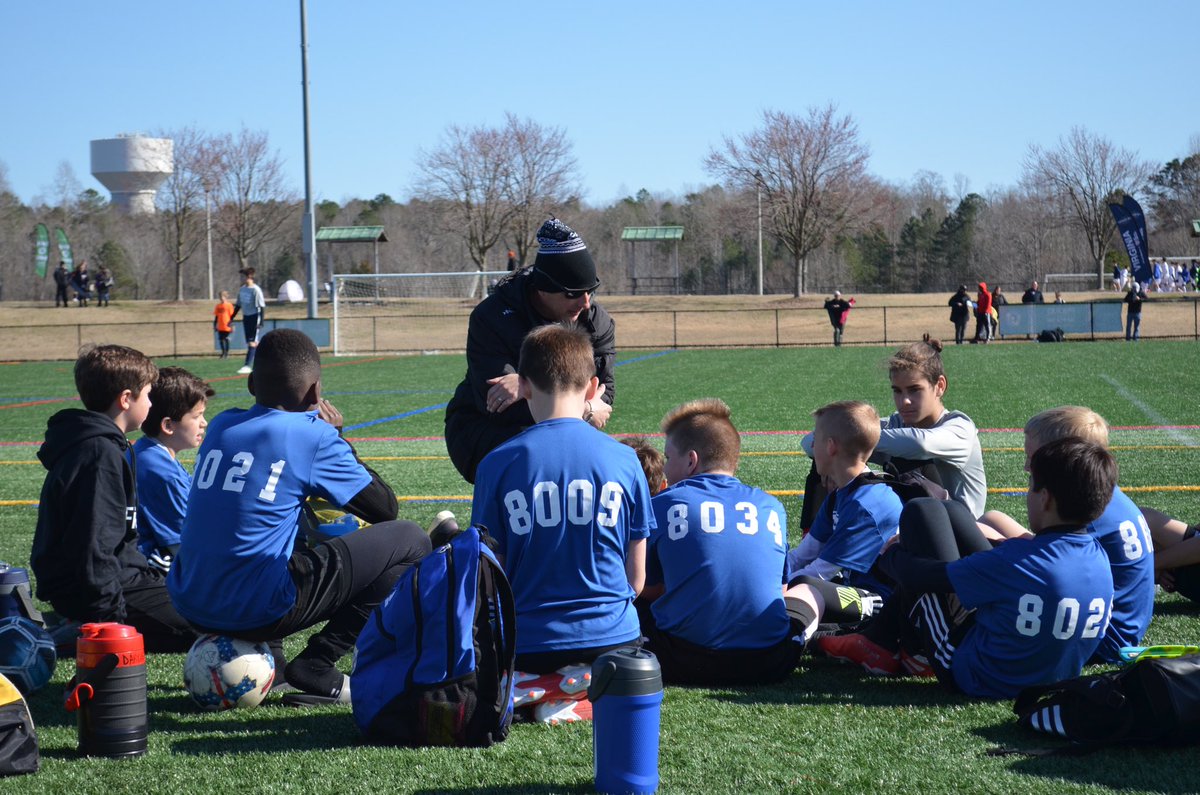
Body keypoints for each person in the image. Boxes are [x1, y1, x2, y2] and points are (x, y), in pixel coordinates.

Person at [167, 329, 432, 705]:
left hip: (189, 603)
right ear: (314, 394)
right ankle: (318, 662)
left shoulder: (223, 424)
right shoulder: (313, 436)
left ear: (252, 384)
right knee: (411, 539)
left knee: (272, 533)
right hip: (255, 611)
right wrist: (338, 438)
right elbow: (384, 508)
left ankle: (273, 660)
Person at [820, 438, 1116, 699]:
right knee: (952, 512)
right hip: (1049, 675)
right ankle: (880, 638)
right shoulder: (1099, 557)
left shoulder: (1018, 562)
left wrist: (890, 554)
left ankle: (898, 648)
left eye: (1031, 487)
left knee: (919, 512)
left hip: (973, 673)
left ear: (1046, 498)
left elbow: (921, 577)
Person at [471, 323, 651, 723]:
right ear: (592, 389)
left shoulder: (497, 463)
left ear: (526, 387)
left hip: (529, 642)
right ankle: (582, 685)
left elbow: (487, 572)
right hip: (614, 638)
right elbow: (636, 581)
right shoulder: (624, 460)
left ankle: (532, 684)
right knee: (635, 666)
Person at [638, 398, 818, 686]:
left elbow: (639, 586)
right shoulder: (771, 507)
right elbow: (780, 589)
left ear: (691, 461)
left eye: (669, 458)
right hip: (768, 664)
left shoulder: (664, 504)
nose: (666, 468)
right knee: (808, 593)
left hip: (678, 661)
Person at [31, 345, 195, 652]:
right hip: (98, 590)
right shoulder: (99, 454)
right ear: (125, 399)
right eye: (147, 394)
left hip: (121, 578)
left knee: (205, 604)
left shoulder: (108, 445)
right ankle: (72, 634)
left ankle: (75, 624)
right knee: (209, 623)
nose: (151, 402)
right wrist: (109, 621)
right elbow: (94, 547)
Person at [976, 407, 1154, 664]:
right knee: (992, 518)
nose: (1027, 467)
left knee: (981, 539)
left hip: (1099, 636)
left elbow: (1053, 565)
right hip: (1121, 623)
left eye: (1033, 458)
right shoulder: (1102, 495)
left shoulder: (1086, 515)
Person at [445, 218, 615, 484]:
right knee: (539, 456)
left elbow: (605, 394)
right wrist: (583, 409)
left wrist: (525, 384)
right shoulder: (491, 317)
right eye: (573, 293)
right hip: (483, 431)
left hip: (559, 427)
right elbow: (498, 408)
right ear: (543, 289)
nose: (585, 302)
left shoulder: (596, 321)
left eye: (590, 291)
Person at [788, 402, 903, 625]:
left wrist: (764, 590)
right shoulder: (840, 494)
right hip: (853, 589)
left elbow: (820, 573)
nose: (812, 444)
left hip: (882, 600)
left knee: (803, 585)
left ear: (831, 446)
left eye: (816, 438)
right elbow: (802, 555)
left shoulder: (867, 505)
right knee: (797, 584)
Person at [132, 367, 214, 574]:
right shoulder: (161, 471)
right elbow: (184, 544)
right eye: (197, 416)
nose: (204, 423)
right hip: (151, 569)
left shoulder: (145, 451)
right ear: (168, 425)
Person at [233, 267, 266, 374]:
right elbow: (238, 305)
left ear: (250, 277)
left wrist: (261, 322)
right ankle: (265, 358)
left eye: (244, 276)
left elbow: (261, 306)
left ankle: (247, 365)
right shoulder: (242, 289)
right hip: (246, 317)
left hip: (254, 317)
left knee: (252, 342)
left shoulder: (255, 290)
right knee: (251, 342)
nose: (243, 279)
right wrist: (231, 317)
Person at [213, 290, 235, 359]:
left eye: (223, 296)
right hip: (220, 326)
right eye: (220, 296)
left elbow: (232, 316)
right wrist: (215, 325)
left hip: (227, 325)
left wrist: (232, 325)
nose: (221, 298)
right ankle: (223, 353)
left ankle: (227, 354)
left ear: (226, 297)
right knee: (221, 340)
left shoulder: (229, 305)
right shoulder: (218, 306)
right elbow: (216, 316)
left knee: (226, 339)